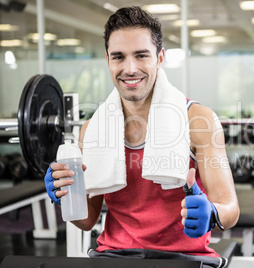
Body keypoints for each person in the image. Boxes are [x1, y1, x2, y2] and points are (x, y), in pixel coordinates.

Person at [44, 6, 239, 268]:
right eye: (119, 57)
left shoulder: (198, 120)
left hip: (183, 260)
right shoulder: (91, 130)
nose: (130, 68)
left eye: (141, 55)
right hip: (113, 257)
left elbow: (230, 209)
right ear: (108, 61)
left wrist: (213, 213)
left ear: (160, 58)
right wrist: (65, 195)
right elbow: (87, 220)